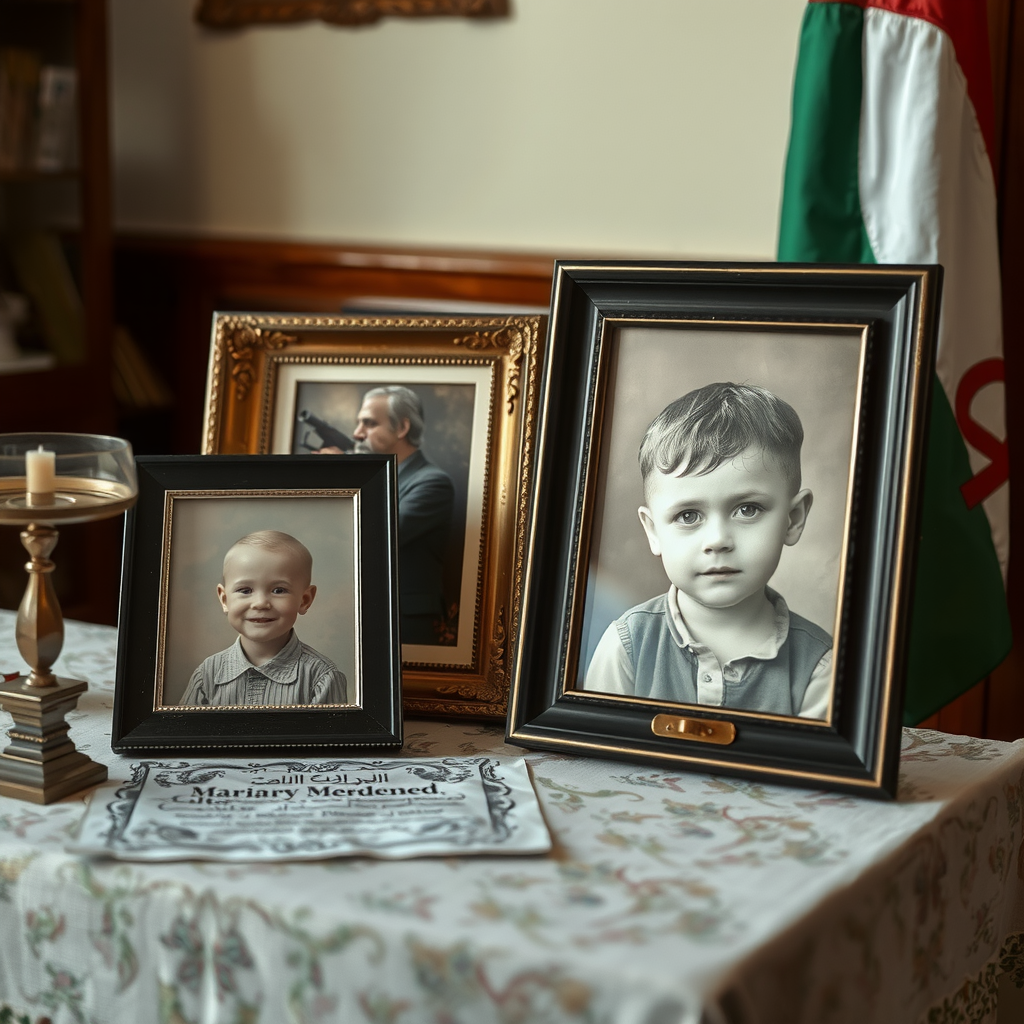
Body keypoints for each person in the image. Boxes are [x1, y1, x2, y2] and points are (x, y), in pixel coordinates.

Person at [583, 382, 832, 720]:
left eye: (747, 509)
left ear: (793, 518)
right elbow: (596, 763)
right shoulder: (627, 647)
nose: (717, 540)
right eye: (688, 516)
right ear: (653, 531)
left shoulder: (820, 667)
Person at [315, 386, 455, 645]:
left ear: (402, 428)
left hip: (404, 622)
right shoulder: (375, 477)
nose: (357, 434)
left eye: (369, 423)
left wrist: (341, 477)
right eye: (359, 423)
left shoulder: (433, 482)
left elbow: (381, 532)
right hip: (357, 612)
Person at [180, 530, 348, 706]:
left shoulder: (321, 677)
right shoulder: (207, 675)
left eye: (279, 590)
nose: (260, 603)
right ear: (224, 599)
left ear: (304, 600)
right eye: (245, 590)